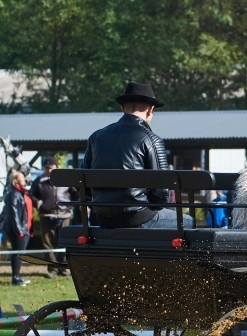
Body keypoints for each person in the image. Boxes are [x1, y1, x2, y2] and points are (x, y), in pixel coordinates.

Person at [81, 81, 194, 229]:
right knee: (189, 221)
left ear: (123, 108)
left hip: (102, 219)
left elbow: (84, 186)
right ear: (150, 110)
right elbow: (161, 196)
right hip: (137, 218)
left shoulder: (96, 137)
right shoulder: (151, 139)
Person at [29, 156, 76, 277]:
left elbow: (75, 193)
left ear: (56, 167)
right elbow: (31, 195)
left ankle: (63, 267)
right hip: (46, 215)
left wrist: (72, 205)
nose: (49, 170)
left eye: (51, 167)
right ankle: (53, 269)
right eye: (47, 168)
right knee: (47, 243)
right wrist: (39, 204)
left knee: (64, 242)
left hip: (64, 215)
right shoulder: (39, 181)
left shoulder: (65, 180)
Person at [3, 171, 33, 286]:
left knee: (19, 252)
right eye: (21, 178)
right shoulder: (13, 194)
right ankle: (16, 278)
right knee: (18, 253)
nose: (24, 179)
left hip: (25, 228)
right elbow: (13, 215)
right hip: (17, 229)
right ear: (15, 180)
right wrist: (19, 231)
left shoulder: (22, 192)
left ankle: (17, 276)